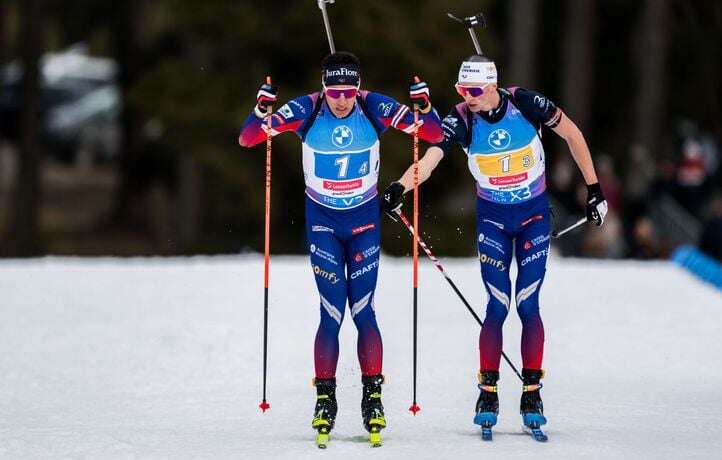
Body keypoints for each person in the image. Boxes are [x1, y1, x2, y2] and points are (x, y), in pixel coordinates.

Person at [382, 54, 607, 437]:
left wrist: (595, 190)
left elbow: (573, 134)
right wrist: (401, 186)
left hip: (534, 216)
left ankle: (531, 392)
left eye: (472, 90)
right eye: (460, 89)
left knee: (528, 302)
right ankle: (488, 392)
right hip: (493, 220)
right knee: (498, 303)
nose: (466, 96)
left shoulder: (525, 103)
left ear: (491, 86)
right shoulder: (462, 118)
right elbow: (432, 158)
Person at [239, 51, 443, 444]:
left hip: (364, 223)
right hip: (324, 225)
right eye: (335, 91)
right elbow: (249, 138)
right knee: (332, 312)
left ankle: (373, 399)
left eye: (349, 91)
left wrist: (425, 105)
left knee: (363, 310)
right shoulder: (306, 110)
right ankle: (325, 400)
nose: (342, 100)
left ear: (358, 87)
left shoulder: (374, 107)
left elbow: (432, 134)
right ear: (323, 87)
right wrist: (261, 108)